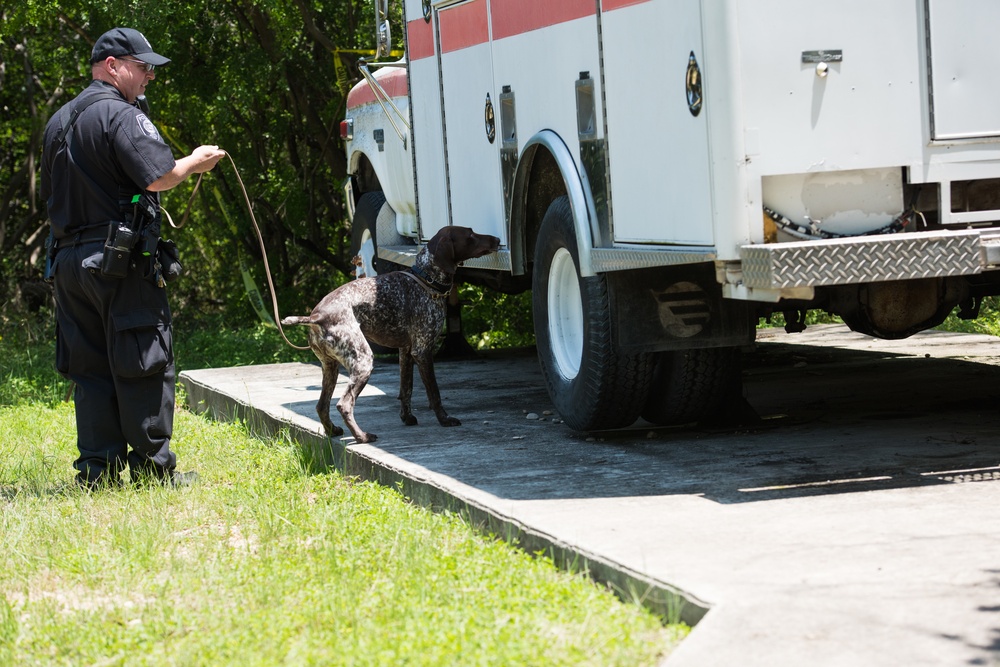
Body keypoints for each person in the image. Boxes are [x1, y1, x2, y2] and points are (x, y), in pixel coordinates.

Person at [40, 27, 225, 489]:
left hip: (68, 264)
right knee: (144, 360)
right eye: (142, 67)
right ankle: (151, 472)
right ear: (112, 66)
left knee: (90, 368)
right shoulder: (119, 114)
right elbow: (159, 176)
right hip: (117, 263)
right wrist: (194, 162)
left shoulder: (59, 120)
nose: (149, 77)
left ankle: (98, 474)